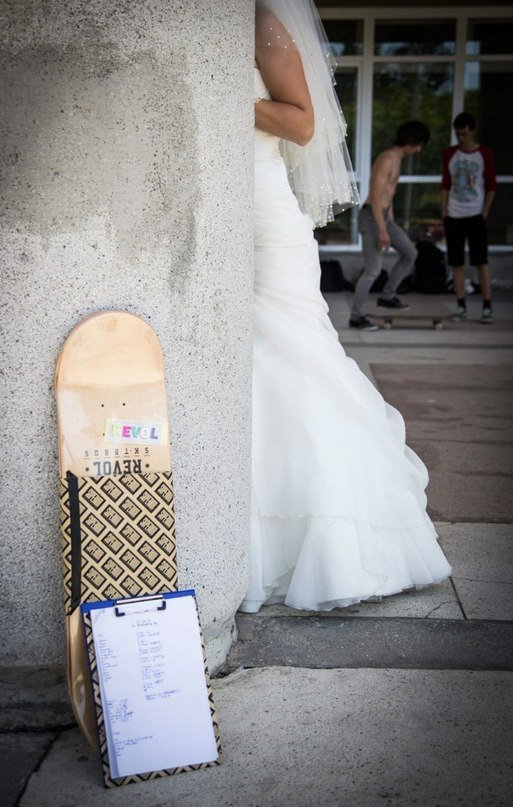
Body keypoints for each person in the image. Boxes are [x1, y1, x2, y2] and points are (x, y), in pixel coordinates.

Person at [241, 0, 451, 614]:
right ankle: (248, 523)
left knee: (296, 357)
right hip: (220, 213)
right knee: (252, 368)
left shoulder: (261, 21)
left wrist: (224, 97)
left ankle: (337, 529)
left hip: (267, 220)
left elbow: (303, 123)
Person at [349, 121, 430, 331]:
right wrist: (383, 230)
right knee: (373, 269)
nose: (419, 150)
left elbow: (389, 194)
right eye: (419, 145)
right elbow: (376, 198)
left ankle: (387, 296)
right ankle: (356, 317)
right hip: (371, 216)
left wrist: (389, 223)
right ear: (411, 141)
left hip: (383, 216)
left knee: (410, 253)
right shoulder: (387, 160)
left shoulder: (397, 159)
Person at [441, 112, 497, 323]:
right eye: (458, 134)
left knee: (481, 261)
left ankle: (487, 306)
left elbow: (491, 186)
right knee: (456, 262)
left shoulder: (484, 154)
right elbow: (445, 184)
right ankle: (461, 306)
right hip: (454, 214)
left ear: (472, 131)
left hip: (475, 214)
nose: (461, 138)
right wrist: (444, 211)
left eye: (464, 134)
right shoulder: (450, 154)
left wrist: (484, 212)